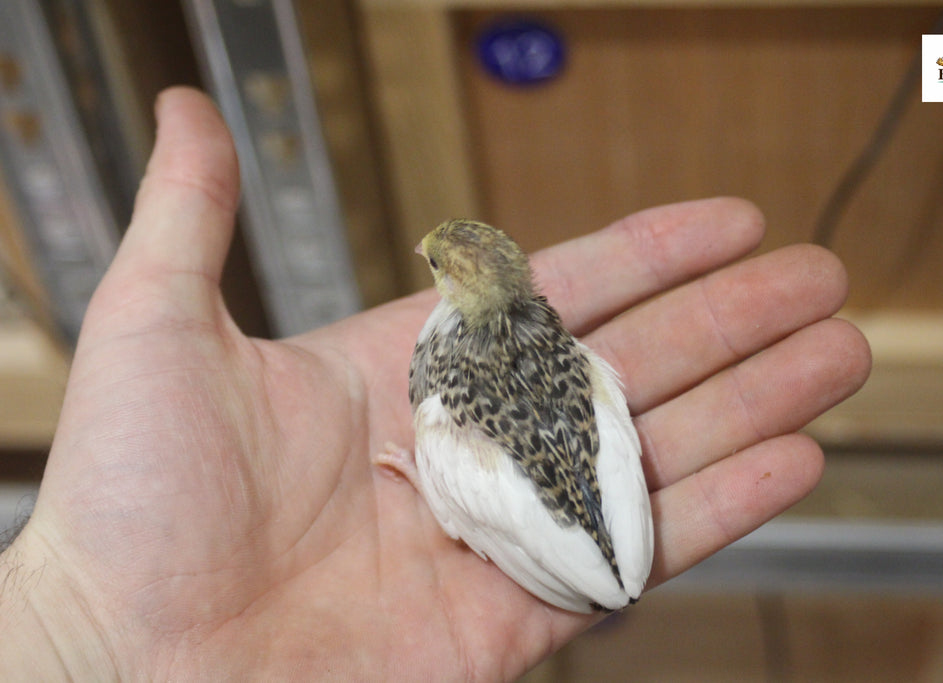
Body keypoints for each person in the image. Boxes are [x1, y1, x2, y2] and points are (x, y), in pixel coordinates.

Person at [0, 87, 870, 679]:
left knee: (465, 472)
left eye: (435, 266)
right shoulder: (572, 354)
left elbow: (476, 513)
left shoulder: (454, 404)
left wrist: (69, 641)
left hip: (572, 537)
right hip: (591, 531)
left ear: (457, 287)